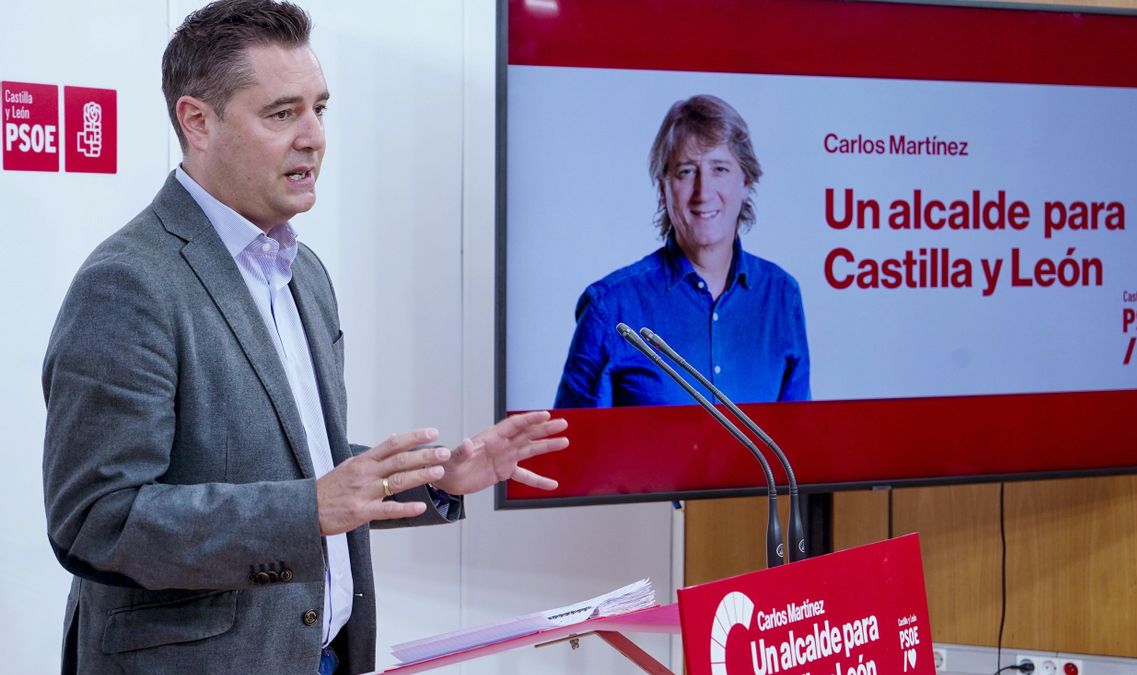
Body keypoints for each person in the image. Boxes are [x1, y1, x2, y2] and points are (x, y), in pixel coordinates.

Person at [41, 1, 567, 673]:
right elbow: (97, 519)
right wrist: (307, 508)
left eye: (321, 109)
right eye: (282, 114)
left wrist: (437, 476)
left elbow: (295, 457)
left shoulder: (302, 271)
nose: (314, 136)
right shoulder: (129, 284)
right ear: (197, 122)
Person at [554, 94, 811, 408]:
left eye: (720, 169)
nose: (703, 193)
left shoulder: (782, 296)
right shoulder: (609, 308)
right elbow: (575, 451)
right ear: (663, 189)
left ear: (745, 182)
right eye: (687, 171)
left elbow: (796, 448)